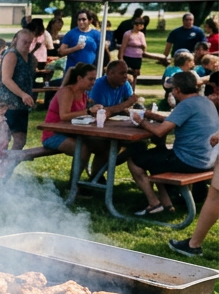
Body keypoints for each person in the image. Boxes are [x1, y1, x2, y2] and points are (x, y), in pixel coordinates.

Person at [128, 69, 219, 215]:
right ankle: (166, 204)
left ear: (177, 90)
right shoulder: (204, 101)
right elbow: (175, 120)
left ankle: (153, 203)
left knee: (135, 161)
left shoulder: (186, 104)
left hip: (190, 161)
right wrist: (153, 116)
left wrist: (141, 122)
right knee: (156, 155)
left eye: (172, 89)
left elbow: (160, 132)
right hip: (209, 159)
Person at [40, 63, 107, 174]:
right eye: (90, 79)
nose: (93, 82)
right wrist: (89, 111)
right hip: (53, 134)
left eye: (94, 79)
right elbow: (64, 116)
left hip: (72, 133)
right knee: (83, 150)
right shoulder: (67, 92)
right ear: (79, 78)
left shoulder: (84, 94)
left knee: (104, 147)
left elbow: (79, 116)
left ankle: (96, 178)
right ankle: (73, 186)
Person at [0, 21, 42, 152]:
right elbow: (6, 79)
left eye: (29, 42)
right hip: (7, 103)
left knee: (20, 141)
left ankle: (5, 169)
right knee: (2, 141)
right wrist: (23, 94)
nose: (27, 45)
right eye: (24, 42)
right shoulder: (11, 55)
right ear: (16, 40)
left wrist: (28, 97)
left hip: (21, 105)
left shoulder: (31, 58)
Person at [121, 15, 148, 85]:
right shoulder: (128, 34)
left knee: (135, 74)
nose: (140, 26)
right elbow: (123, 46)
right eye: (138, 25)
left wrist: (144, 51)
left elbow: (144, 45)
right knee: (127, 74)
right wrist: (121, 58)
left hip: (138, 57)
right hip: (128, 56)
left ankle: (133, 90)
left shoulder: (141, 34)